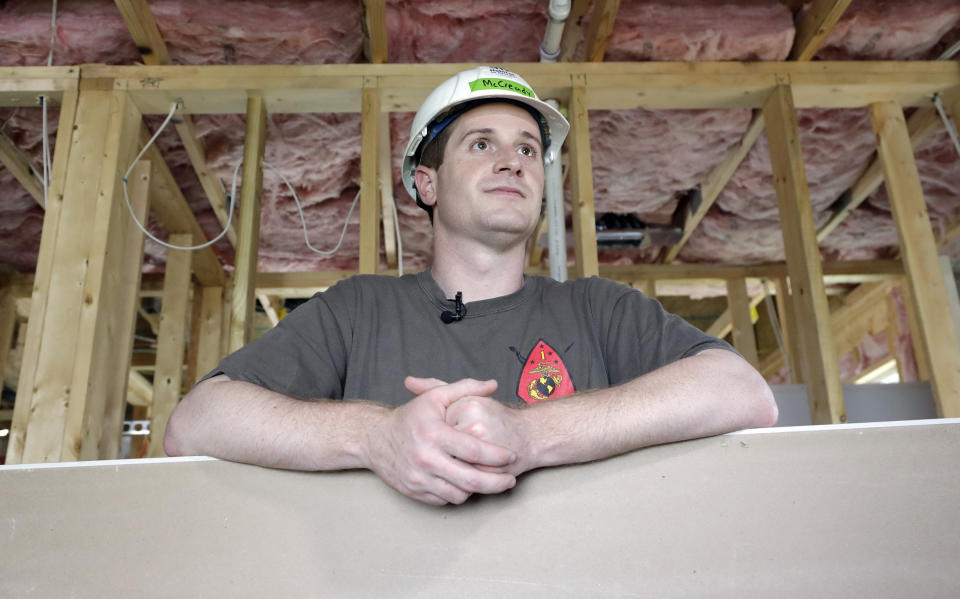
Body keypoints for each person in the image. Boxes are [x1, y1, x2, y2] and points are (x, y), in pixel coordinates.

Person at [164, 66, 778, 506]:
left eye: (529, 149)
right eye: (481, 144)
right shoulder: (357, 310)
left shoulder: (599, 308)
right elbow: (196, 422)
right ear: (426, 185)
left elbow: (741, 392)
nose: (513, 161)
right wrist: (376, 437)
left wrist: (531, 435)